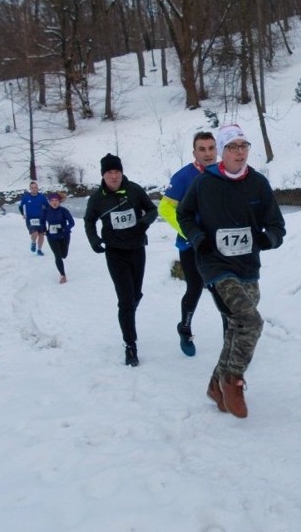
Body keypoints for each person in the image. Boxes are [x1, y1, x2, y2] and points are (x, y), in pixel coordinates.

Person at [177, 124, 286, 419]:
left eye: (244, 146)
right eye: (233, 147)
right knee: (250, 321)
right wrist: (198, 239)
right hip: (215, 264)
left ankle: (215, 383)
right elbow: (183, 214)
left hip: (248, 266)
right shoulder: (204, 183)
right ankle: (233, 381)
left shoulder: (259, 184)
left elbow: (277, 224)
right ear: (222, 152)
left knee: (237, 326)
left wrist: (268, 238)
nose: (240, 152)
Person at [84, 154, 158, 366]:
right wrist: (94, 240)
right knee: (125, 300)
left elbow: (152, 209)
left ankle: (128, 314)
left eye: (117, 171)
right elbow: (89, 220)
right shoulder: (97, 198)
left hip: (136, 249)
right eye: (110, 172)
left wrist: (143, 223)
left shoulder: (134, 190)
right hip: (115, 252)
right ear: (103, 175)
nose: (114, 176)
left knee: (135, 294)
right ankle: (130, 344)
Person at [159, 131, 228, 357]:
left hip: (219, 245)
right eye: (202, 149)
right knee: (195, 289)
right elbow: (165, 209)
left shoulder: (224, 173)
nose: (207, 153)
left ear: (217, 150)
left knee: (223, 291)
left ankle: (230, 340)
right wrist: (189, 232)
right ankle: (185, 329)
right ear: (194, 152)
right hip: (191, 245)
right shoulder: (183, 176)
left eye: (211, 148)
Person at [42, 192, 75, 284]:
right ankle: (62, 275)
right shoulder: (46, 211)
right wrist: (44, 230)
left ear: (59, 201)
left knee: (64, 255)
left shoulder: (64, 211)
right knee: (57, 256)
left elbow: (72, 223)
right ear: (49, 202)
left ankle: (62, 260)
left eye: (56, 200)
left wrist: (65, 229)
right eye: (52, 201)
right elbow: (42, 222)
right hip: (52, 236)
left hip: (64, 236)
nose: (54, 202)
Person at [19, 181, 49, 255]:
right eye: (32, 188)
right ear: (30, 189)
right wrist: (23, 214)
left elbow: (47, 206)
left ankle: (39, 250)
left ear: (37, 188)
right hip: (30, 219)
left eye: (35, 188)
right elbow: (20, 206)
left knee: (41, 234)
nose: (34, 189)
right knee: (35, 232)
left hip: (41, 218)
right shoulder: (26, 197)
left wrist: (45, 210)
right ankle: (33, 242)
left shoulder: (42, 197)